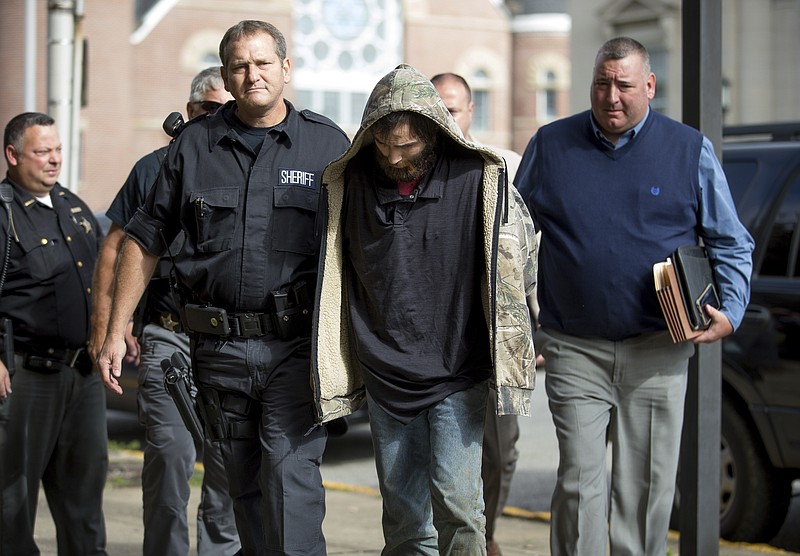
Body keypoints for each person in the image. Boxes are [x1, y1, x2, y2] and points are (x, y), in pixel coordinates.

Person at [95, 20, 349, 555]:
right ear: (227, 78)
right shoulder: (194, 146)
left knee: (290, 481)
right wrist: (116, 330)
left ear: (285, 67)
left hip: (295, 351)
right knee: (244, 493)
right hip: (219, 352)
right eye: (240, 66)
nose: (252, 74)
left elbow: (359, 244)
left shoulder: (326, 145)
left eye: (262, 63)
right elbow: (144, 241)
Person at [514, 37, 755, 556]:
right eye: (602, 84)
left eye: (624, 85)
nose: (612, 96)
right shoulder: (551, 145)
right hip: (574, 346)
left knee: (644, 489)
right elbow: (507, 234)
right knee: (580, 480)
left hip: (659, 346)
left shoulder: (689, 149)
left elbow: (731, 240)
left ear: (649, 85)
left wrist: (730, 312)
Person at [311, 64, 538, 555]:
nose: (395, 156)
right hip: (385, 373)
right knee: (404, 515)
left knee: (458, 505)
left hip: (458, 368)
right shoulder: (348, 184)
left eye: (409, 146)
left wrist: (524, 335)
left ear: (434, 133)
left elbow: (522, 259)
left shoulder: (478, 177)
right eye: (385, 145)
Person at [88, 67, 240, 556]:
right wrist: (111, 327)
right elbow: (115, 249)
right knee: (170, 466)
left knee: (227, 475)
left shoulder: (248, 165)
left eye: (226, 111)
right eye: (208, 110)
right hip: (170, 337)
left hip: (230, 343)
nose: (217, 120)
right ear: (189, 111)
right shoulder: (155, 167)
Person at [0, 112, 107, 555]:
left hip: (82, 377)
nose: (54, 160)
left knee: (84, 504)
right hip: (27, 377)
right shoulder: (4, 213)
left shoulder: (72, 206)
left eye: (57, 150)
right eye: (42, 152)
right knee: (12, 504)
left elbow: (100, 275)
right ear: (12, 155)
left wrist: (116, 326)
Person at [432, 71, 525, 556]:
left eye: (454, 108)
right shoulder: (407, 170)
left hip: (494, 341)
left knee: (500, 449)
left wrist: (531, 330)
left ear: (470, 111)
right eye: (438, 108)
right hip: (435, 344)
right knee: (438, 452)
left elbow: (529, 255)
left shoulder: (504, 168)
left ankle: (483, 535)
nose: (447, 118)